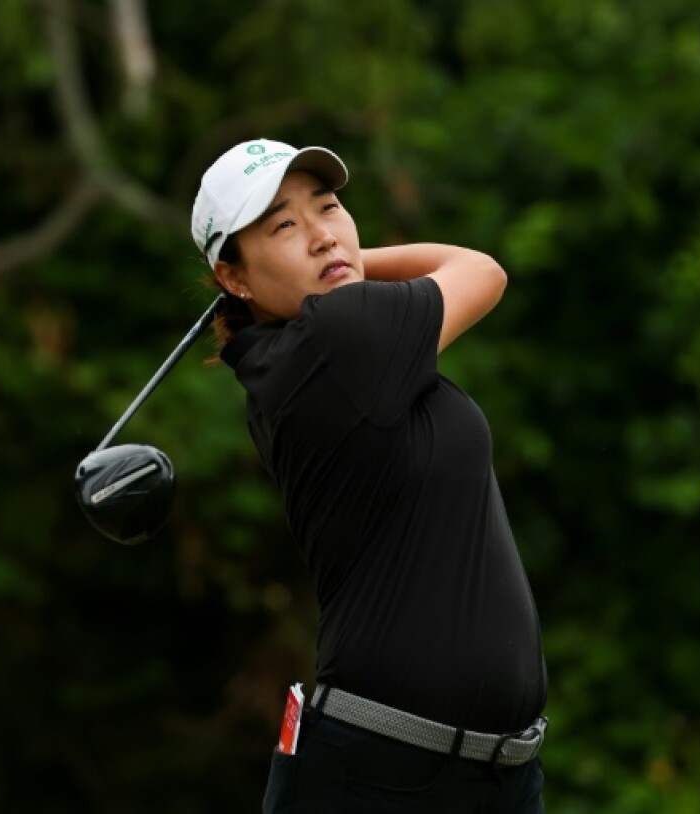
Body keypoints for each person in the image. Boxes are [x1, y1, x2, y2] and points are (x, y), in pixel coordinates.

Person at [192, 138, 549, 813]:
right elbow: (479, 269)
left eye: (328, 208)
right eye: (285, 226)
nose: (323, 233)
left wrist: (329, 265)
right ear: (234, 277)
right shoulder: (337, 337)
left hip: (485, 779)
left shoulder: (288, 350)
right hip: (386, 779)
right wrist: (350, 266)